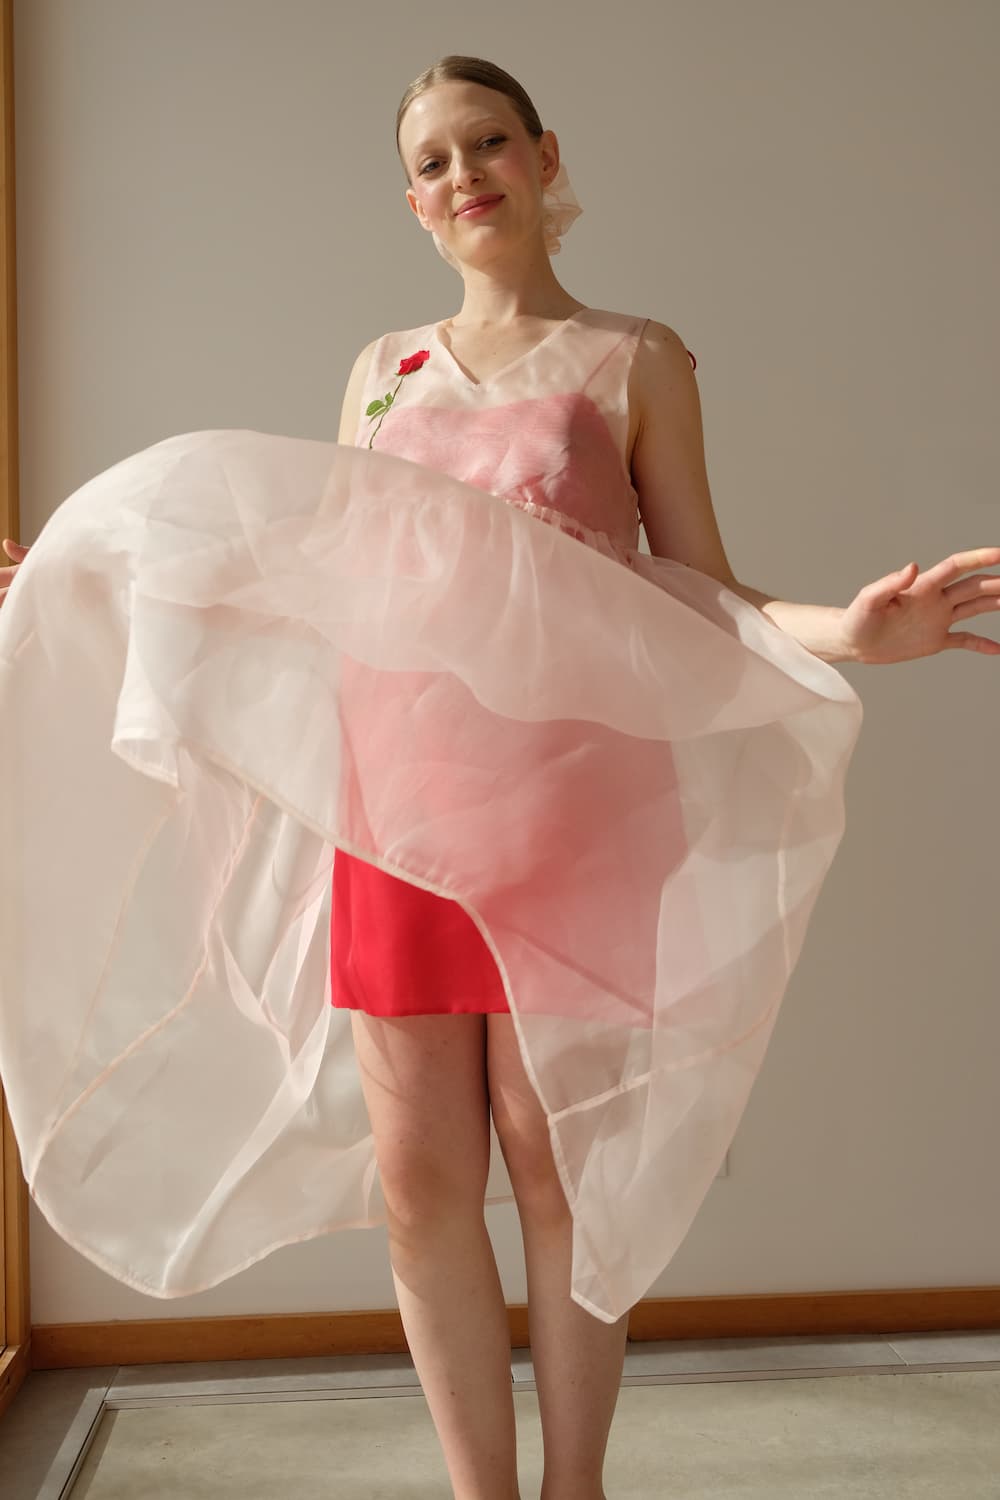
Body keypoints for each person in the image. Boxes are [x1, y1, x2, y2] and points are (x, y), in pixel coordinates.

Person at [1, 53, 998, 1500]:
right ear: (412, 203)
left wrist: (849, 631)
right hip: (395, 811)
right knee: (420, 1181)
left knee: (557, 1165)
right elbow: (313, 577)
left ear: (542, 157)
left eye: (486, 143)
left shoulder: (637, 358)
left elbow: (696, 588)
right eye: (430, 161)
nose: (462, 174)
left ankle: (573, 1486)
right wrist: (79, 577)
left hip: (575, 818)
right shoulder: (382, 371)